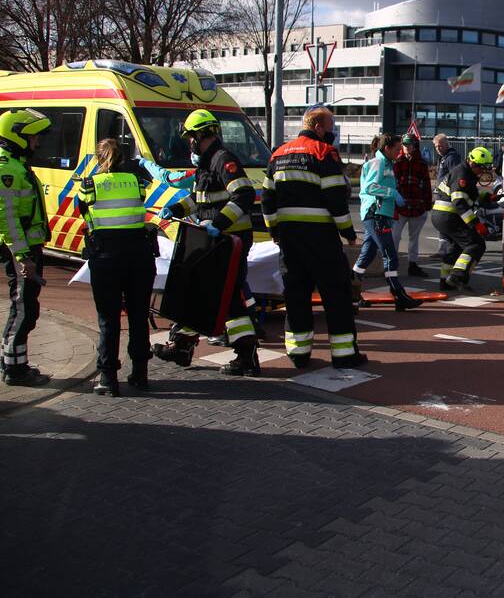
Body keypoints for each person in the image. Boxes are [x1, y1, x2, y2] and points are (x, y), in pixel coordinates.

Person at [151, 109, 261, 376]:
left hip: (228, 241)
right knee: (203, 293)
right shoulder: (207, 163)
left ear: (201, 135)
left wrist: (219, 224)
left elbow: (244, 195)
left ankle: (243, 356)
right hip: (215, 241)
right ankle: (184, 346)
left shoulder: (223, 160)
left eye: (191, 136)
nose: (189, 141)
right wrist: (176, 209)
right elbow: (199, 200)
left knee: (222, 296)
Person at [262, 107, 368, 368]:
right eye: (330, 127)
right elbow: (335, 197)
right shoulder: (323, 152)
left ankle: (298, 353)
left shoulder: (278, 154)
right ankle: (344, 355)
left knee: (296, 295)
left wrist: (275, 231)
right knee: (336, 294)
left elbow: (266, 198)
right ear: (318, 127)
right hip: (320, 238)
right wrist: (348, 233)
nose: (332, 133)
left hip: (289, 239)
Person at [77, 139, 157, 396]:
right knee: (138, 316)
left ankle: (108, 378)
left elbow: (85, 213)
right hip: (138, 254)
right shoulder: (136, 182)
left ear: (100, 159)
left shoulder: (89, 185)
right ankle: (140, 374)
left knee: (109, 320)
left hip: (106, 257)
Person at [0, 109, 52, 387]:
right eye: (33, 138)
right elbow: (7, 219)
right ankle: (14, 370)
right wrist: (22, 256)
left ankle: (14, 362)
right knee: (23, 309)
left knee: (27, 308)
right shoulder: (6, 168)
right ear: (17, 136)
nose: (37, 143)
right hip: (22, 252)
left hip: (28, 248)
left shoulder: (16, 164)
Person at [353, 134, 423, 312]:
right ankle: (399, 295)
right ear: (387, 149)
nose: (400, 152)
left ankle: (351, 294)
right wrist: (393, 194)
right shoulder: (379, 163)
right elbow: (370, 187)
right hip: (376, 215)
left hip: (378, 214)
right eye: (397, 149)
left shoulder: (384, 163)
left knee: (367, 255)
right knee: (390, 254)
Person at [431, 146, 493, 291]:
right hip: (449, 216)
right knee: (476, 244)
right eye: (482, 168)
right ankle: (457, 277)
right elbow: (459, 203)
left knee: (455, 248)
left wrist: (488, 197)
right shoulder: (462, 175)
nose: (484, 172)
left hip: (443, 216)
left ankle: (445, 282)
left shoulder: (466, 173)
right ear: (473, 163)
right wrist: (476, 224)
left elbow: (469, 195)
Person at [393, 134, 432, 277]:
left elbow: (426, 185)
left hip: (417, 207)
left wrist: (427, 204)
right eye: (404, 144)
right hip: (400, 207)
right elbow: (393, 183)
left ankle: (413, 264)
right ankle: (392, 264)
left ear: (415, 146)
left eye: (409, 144)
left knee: (413, 238)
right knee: (395, 236)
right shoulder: (397, 162)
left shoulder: (421, 163)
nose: (407, 147)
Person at [432, 134, 461, 258]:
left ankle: (447, 250)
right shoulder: (443, 157)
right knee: (442, 224)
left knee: (445, 222)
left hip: (446, 196)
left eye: (440, 146)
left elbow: (455, 176)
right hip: (441, 195)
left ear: (446, 144)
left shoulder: (451, 158)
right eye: (436, 146)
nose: (438, 148)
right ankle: (444, 250)